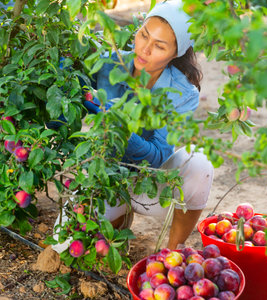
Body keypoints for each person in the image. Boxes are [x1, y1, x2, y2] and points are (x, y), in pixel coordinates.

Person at [52, 0, 214, 252]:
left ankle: (173, 252)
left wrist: (121, 129)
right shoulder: (108, 63)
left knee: (199, 163)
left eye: (159, 46)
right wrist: (65, 80)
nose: (145, 49)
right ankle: (118, 218)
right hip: (107, 176)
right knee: (63, 244)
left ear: (176, 53)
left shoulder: (183, 92)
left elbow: (160, 154)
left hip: (152, 185)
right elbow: (70, 88)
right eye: (143, 35)